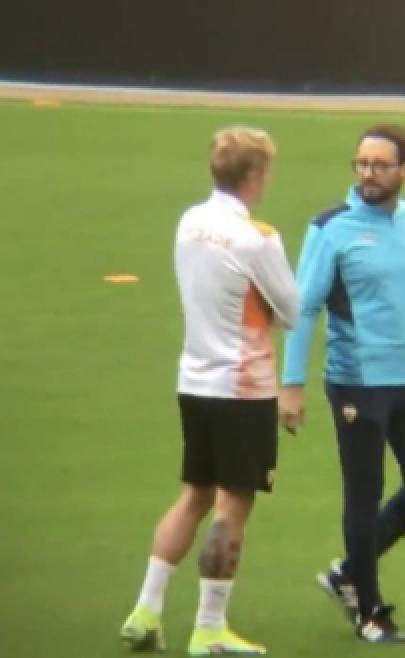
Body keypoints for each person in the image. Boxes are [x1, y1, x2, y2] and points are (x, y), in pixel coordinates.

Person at [119, 126, 298, 656]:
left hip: (194, 379)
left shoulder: (190, 222)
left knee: (195, 492)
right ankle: (209, 626)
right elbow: (290, 309)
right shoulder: (258, 237)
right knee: (232, 504)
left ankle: (145, 610)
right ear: (253, 175)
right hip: (243, 387)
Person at [279, 123, 405, 645]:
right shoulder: (333, 227)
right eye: (361, 164)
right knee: (364, 490)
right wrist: (291, 383)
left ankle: (348, 571)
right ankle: (369, 609)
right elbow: (303, 306)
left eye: (379, 164)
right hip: (357, 381)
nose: (368, 174)